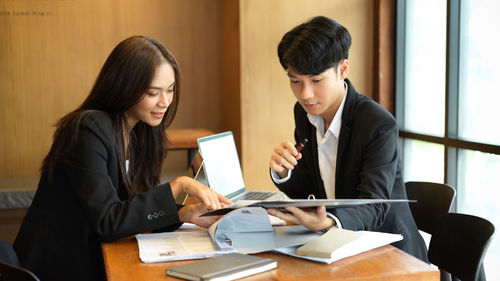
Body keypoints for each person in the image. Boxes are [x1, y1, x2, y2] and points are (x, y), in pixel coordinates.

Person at [14, 36, 231, 281]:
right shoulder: (88, 130)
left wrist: (184, 214)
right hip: (60, 267)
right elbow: (108, 221)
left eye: (170, 90)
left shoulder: (140, 133)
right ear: (124, 87)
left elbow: (129, 209)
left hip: (94, 257)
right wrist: (178, 185)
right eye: (153, 92)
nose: (165, 102)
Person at [267, 16, 428, 262]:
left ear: (342, 69)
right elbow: (311, 189)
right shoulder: (304, 113)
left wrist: (329, 220)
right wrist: (284, 172)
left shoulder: (377, 123)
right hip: (336, 246)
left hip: (389, 253)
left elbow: (374, 205)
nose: (305, 94)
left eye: (317, 80)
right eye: (295, 81)